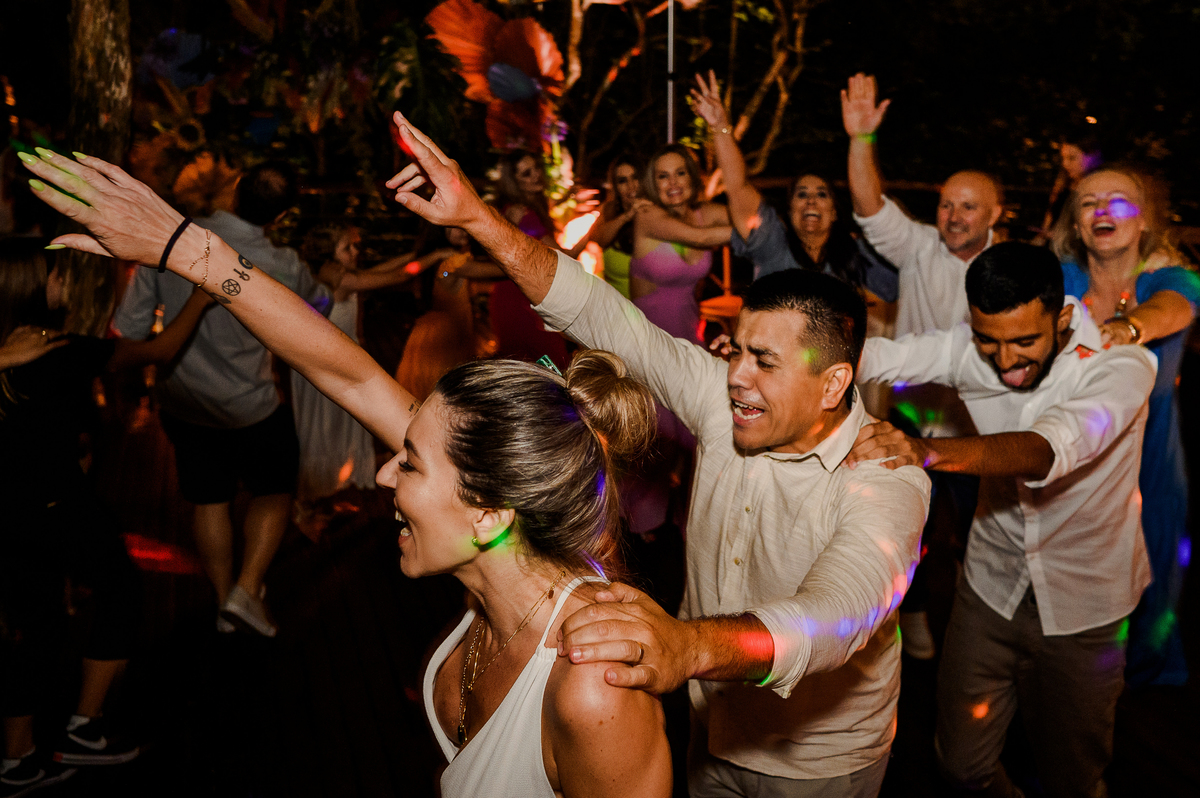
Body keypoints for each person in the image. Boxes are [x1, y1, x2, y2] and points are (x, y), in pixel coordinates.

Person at [21, 146, 673, 798]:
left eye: (410, 464)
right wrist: (185, 248)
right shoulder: (503, 568)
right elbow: (348, 372)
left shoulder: (595, 687)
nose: (385, 476)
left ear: (490, 512)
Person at [385, 111, 930, 797]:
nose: (735, 375)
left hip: (817, 765)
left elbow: (836, 614)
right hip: (708, 730)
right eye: (735, 349)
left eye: (764, 361)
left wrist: (688, 645)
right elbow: (601, 314)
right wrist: (480, 218)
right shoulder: (722, 398)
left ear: (834, 384)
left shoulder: (886, 475)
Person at [851, 242, 1157, 797]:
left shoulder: (1124, 368)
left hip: (1086, 608)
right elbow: (880, 356)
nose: (1006, 359)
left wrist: (926, 451)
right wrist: (773, 357)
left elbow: (1047, 448)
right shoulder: (970, 349)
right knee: (960, 766)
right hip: (988, 588)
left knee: (1075, 776)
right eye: (989, 340)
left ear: (1062, 317)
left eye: (1024, 341)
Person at [0, 236, 212, 794]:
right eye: (53, 275)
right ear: (30, 289)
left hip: (9, 514)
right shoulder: (63, 353)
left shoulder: (18, 356)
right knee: (119, 592)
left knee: (32, 626)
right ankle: (83, 731)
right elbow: (158, 353)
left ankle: (16, 757)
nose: (62, 283)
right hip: (60, 506)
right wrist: (203, 300)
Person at [113, 160, 333, 637]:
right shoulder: (283, 263)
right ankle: (247, 588)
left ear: (234, 193)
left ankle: (222, 603)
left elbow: (128, 328)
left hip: (183, 400)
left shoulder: (169, 243)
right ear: (278, 216)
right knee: (274, 490)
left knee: (208, 499)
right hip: (250, 404)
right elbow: (319, 305)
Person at [1052, 166, 1199, 687]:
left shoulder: (1171, 279)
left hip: (1151, 455)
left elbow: (1174, 309)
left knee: (1155, 571)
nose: (1102, 211)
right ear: (1076, 222)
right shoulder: (1060, 279)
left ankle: (1142, 673)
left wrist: (1127, 328)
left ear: (1144, 221)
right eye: (1089, 202)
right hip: (1078, 456)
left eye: (1118, 200)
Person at [689, 71, 898, 300]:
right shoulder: (772, 244)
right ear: (789, 211)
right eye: (801, 194)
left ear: (835, 212)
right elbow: (738, 187)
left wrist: (865, 138)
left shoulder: (852, 254)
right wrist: (719, 126)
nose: (811, 200)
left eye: (822, 194)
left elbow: (897, 282)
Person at [291, 222, 453, 506]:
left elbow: (382, 269)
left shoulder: (333, 274)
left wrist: (416, 252)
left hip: (331, 360)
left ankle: (335, 486)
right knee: (328, 425)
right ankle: (323, 491)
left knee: (335, 424)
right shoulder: (340, 280)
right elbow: (400, 275)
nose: (356, 251)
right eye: (348, 247)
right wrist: (435, 256)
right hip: (330, 363)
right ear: (329, 252)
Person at [842, 73, 1003, 337]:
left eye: (968, 207)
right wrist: (861, 139)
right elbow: (869, 208)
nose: (954, 217)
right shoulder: (918, 246)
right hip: (913, 379)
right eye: (946, 205)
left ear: (994, 215)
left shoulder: (1010, 266)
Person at [630, 144, 731, 344]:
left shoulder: (703, 214)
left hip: (690, 336)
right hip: (648, 343)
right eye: (663, 176)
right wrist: (754, 233)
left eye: (680, 173)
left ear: (692, 178)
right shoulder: (647, 216)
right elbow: (699, 237)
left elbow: (745, 217)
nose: (673, 183)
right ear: (653, 183)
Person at [490, 150, 572, 369]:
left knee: (532, 371)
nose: (536, 175)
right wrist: (595, 231)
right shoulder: (523, 214)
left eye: (536, 168)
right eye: (527, 173)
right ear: (513, 182)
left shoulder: (517, 211)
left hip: (518, 296)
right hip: (522, 302)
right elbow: (562, 257)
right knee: (550, 367)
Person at [590, 154, 651, 299]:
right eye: (623, 181)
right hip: (615, 309)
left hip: (650, 310)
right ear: (616, 186)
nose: (631, 186)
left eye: (635, 177)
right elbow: (599, 239)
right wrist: (626, 216)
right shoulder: (609, 210)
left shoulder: (655, 211)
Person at [1031, 128, 1102, 245]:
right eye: (1063, 158)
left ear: (1091, 157)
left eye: (1072, 158)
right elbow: (1049, 220)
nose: (1065, 164)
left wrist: (1060, 235)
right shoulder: (1063, 184)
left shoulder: (1101, 189)